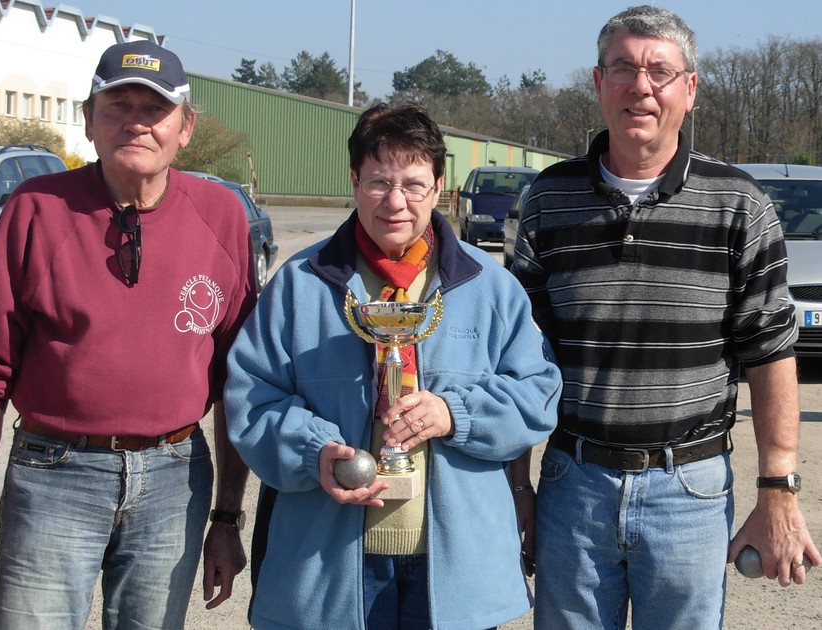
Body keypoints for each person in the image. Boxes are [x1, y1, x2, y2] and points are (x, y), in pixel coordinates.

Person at [509, 5, 821, 629]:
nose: (641, 86)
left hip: (690, 490)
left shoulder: (739, 204)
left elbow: (770, 353)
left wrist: (778, 490)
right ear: (598, 84)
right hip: (574, 484)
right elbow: (515, 359)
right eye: (622, 68)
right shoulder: (547, 199)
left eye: (659, 70)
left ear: (690, 89)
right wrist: (518, 489)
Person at [224, 102, 562, 629]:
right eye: (379, 182)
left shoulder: (490, 288)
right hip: (329, 566)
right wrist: (315, 451)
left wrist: (455, 414)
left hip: (454, 570)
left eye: (414, 184)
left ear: (439, 184)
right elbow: (251, 398)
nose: (396, 202)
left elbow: (537, 394)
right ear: (354, 179)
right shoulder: (299, 284)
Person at [0, 40, 255, 628]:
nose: (136, 123)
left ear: (185, 127)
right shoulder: (35, 210)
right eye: (117, 106)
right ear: (90, 121)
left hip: (174, 479)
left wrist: (226, 518)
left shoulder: (222, 216)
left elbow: (237, 380)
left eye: (155, 110)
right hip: (54, 475)